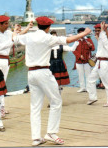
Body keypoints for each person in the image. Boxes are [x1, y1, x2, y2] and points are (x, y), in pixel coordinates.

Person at [13, 16, 92, 146]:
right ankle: (51, 132)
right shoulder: (48, 38)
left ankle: (36, 137)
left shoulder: (29, 36)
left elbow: (15, 38)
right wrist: (85, 33)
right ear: (48, 27)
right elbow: (68, 39)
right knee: (56, 101)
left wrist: (17, 30)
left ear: (38, 25)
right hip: (44, 72)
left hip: (31, 73)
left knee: (35, 106)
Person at [86, 23, 108, 107]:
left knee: (106, 83)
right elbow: (101, 44)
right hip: (98, 62)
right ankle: (93, 97)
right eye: (96, 31)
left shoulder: (104, 36)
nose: (97, 32)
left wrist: (105, 30)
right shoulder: (100, 38)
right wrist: (98, 37)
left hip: (104, 63)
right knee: (91, 79)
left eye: (98, 30)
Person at [73, 27, 95, 93]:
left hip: (87, 61)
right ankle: (82, 88)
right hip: (78, 61)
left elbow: (93, 49)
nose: (81, 34)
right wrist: (79, 56)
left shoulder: (89, 40)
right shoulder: (76, 41)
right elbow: (73, 50)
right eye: (80, 33)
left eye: (83, 33)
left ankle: (88, 88)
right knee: (80, 75)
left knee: (88, 75)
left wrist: (90, 45)